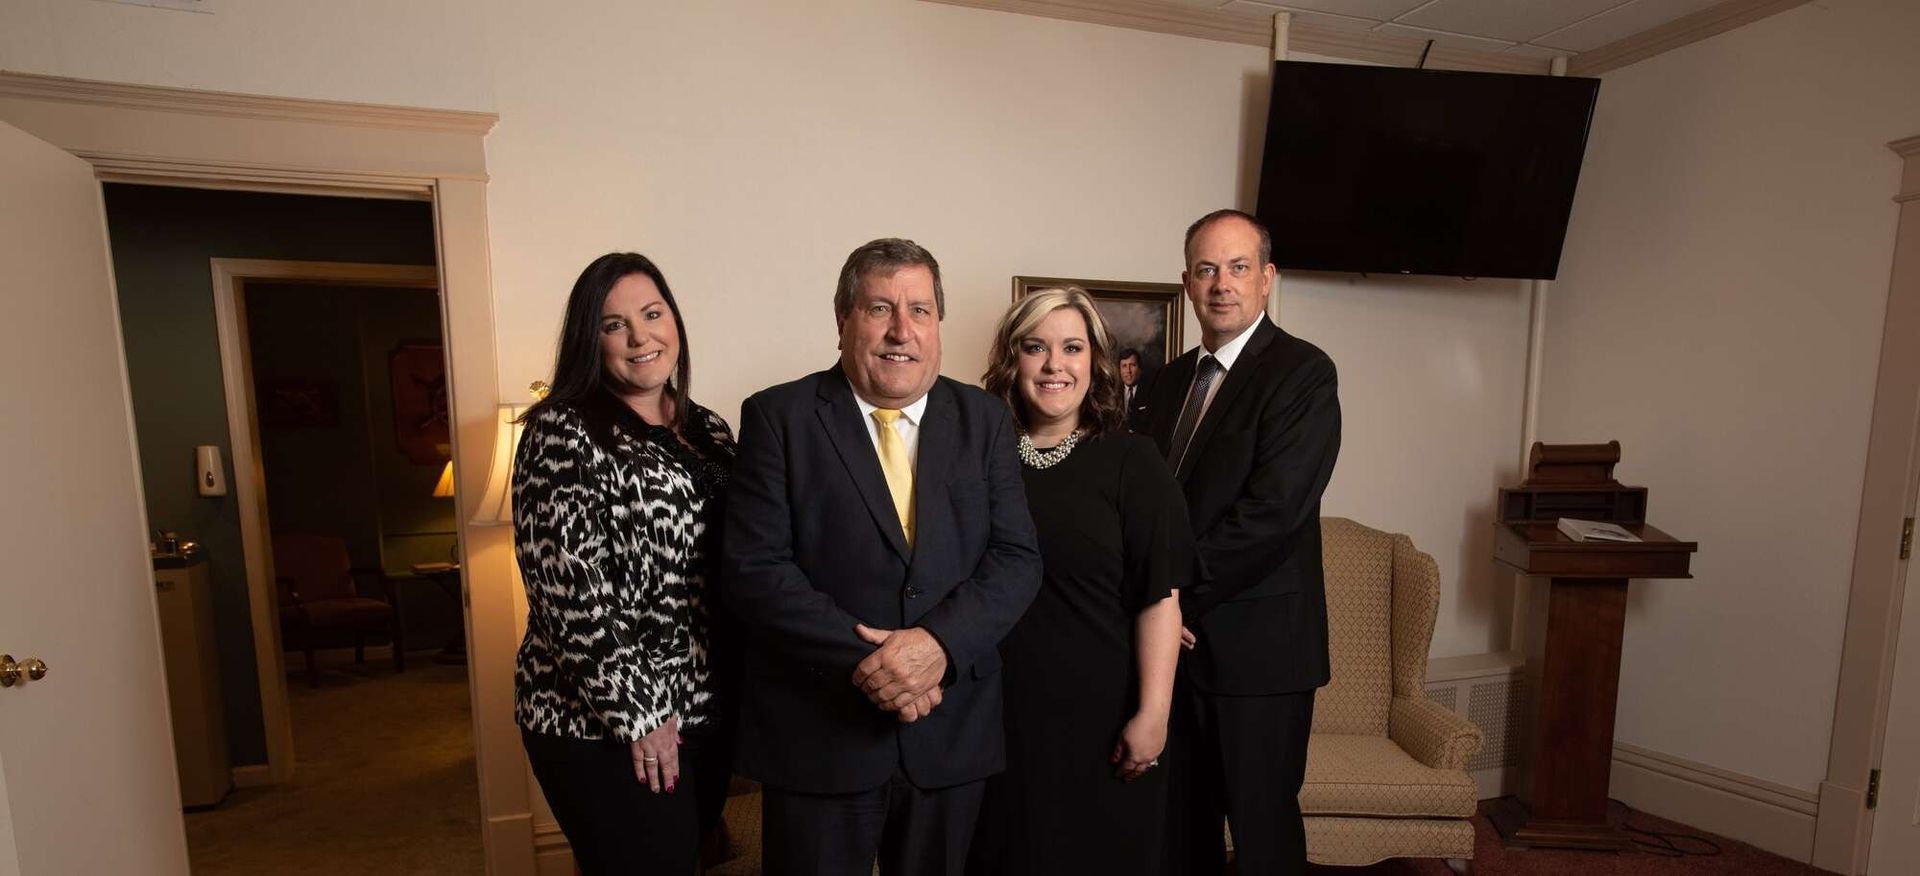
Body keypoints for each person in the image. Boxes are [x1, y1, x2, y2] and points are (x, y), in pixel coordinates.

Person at [722, 237, 1043, 876]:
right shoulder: (778, 417)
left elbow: (1015, 558)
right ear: (843, 320)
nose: (902, 330)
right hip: (821, 734)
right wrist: (884, 664)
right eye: (879, 309)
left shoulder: (984, 419)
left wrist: (938, 648)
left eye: (920, 310)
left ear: (938, 324)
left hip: (951, 735)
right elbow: (755, 570)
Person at [511, 252, 739, 875]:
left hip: (705, 708)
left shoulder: (710, 429)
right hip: (606, 724)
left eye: (652, 313)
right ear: (592, 340)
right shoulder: (561, 431)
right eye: (615, 325)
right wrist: (640, 716)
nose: (641, 337)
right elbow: (567, 594)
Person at [968, 287, 1191, 875]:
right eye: (1034, 347)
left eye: (1072, 348)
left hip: (1100, 717)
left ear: (1095, 362)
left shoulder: (1132, 461)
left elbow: (1160, 597)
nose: (1053, 365)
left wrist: (1154, 713)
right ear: (1012, 361)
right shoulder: (978, 460)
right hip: (996, 715)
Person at [1146, 210, 1341, 876]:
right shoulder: (1165, 383)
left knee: (1262, 835)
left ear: (1267, 279)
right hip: (1168, 654)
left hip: (1258, 655)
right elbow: (1143, 507)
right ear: (1187, 283)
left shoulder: (1303, 374)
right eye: (1206, 269)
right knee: (1178, 829)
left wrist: (1171, 599)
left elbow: (1272, 512)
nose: (1221, 284)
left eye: (1237, 267)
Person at [1118, 347, 1149, 432]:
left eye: (1132, 365)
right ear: (1119, 370)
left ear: (1140, 369)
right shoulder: (1112, 393)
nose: (1128, 371)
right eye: (1124, 366)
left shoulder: (1150, 392)